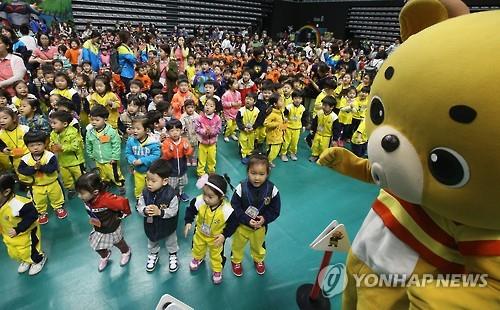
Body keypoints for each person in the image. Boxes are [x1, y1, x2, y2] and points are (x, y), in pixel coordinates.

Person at [230, 154, 281, 276]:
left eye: (261, 174)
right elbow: (234, 207)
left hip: (260, 227)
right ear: (248, 172)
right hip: (241, 226)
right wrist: (245, 219)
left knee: (259, 246)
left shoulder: (272, 190)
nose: (257, 178)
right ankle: (236, 260)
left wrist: (265, 219)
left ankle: (258, 259)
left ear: (267, 173)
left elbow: (275, 210)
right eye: (253, 173)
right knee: (237, 245)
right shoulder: (241, 188)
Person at [184, 173, 238, 285]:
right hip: (200, 233)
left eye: (210, 197)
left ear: (221, 197)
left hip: (216, 238)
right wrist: (188, 221)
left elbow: (233, 224)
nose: (206, 199)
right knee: (197, 248)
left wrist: (224, 235)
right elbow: (190, 210)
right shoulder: (199, 201)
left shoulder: (227, 210)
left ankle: (217, 270)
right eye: (204, 194)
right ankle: (198, 258)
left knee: (216, 255)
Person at [76, 171, 132, 272]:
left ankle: (126, 252)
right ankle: (105, 255)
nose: (79, 196)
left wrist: (125, 213)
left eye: (82, 193)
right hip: (98, 228)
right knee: (96, 245)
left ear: (95, 192)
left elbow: (123, 202)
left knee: (118, 242)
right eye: (78, 193)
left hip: (112, 227)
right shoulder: (88, 199)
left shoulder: (107, 199)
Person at [136, 159, 180, 273]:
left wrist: (160, 212)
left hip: (168, 225)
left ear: (164, 181)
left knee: (171, 241)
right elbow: (139, 206)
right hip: (151, 225)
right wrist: (145, 210)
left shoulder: (171, 195)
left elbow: (173, 211)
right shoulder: (145, 192)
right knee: (152, 240)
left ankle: (173, 254)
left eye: (153, 181)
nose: (149, 183)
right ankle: (153, 254)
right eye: (147, 179)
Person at [0, 173, 47, 275]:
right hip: (9, 234)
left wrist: (18, 229)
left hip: (25, 233)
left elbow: (33, 215)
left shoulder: (18, 204)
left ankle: (38, 260)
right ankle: (26, 260)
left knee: (30, 249)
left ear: (6, 192)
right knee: (14, 251)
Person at [18, 131, 66, 224]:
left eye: (39, 144)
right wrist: (33, 168)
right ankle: (41, 212)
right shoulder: (25, 159)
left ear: (45, 144)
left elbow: (53, 168)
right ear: (27, 146)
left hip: (52, 182)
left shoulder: (49, 156)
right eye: (32, 145)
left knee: (56, 195)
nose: (36, 147)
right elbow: (22, 170)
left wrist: (41, 167)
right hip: (36, 185)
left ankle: (58, 207)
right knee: (38, 200)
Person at [85, 105, 125, 194]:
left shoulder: (111, 132)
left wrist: (114, 157)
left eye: (97, 120)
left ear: (105, 119)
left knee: (114, 173)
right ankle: (105, 182)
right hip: (98, 158)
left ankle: (119, 183)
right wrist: (91, 154)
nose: (94, 122)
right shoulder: (90, 132)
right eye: (92, 120)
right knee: (102, 173)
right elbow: (88, 144)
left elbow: (116, 145)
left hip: (110, 159)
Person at [49, 111, 85, 198]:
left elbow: (75, 146)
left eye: (54, 123)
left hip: (75, 161)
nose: (52, 125)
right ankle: (71, 189)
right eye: (51, 123)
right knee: (66, 178)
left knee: (80, 177)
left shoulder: (73, 133)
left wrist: (62, 147)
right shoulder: (53, 133)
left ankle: (84, 188)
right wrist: (51, 146)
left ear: (65, 124)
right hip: (62, 162)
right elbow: (51, 142)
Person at [125, 117, 161, 199]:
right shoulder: (130, 141)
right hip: (138, 172)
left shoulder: (152, 142)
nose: (135, 131)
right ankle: (139, 199)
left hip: (152, 172)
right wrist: (133, 160)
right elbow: (128, 153)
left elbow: (156, 155)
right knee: (139, 187)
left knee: (153, 187)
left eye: (138, 128)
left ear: (146, 130)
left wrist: (142, 160)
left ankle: (153, 198)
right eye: (133, 128)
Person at [162, 119, 193, 202]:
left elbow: (189, 153)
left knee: (182, 182)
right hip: (171, 171)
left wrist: (186, 149)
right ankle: (172, 195)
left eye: (177, 130)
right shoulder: (166, 143)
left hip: (183, 169)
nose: (175, 133)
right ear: (168, 132)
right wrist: (170, 151)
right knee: (172, 184)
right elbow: (165, 157)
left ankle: (181, 192)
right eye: (172, 130)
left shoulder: (184, 141)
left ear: (181, 131)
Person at [0, 107, 30, 185]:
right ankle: (27, 186)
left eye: (5, 118)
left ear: (13, 118)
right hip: (15, 159)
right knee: (22, 176)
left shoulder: (25, 129)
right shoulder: (1, 134)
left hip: (29, 156)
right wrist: (3, 149)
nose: (1, 121)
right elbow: (1, 146)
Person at [195, 97, 222, 177]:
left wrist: (212, 131)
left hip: (212, 143)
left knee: (212, 158)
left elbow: (219, 129)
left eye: (211, 106)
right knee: (201, 159)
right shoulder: (200, 118)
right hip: (202, 143)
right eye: (206, 105)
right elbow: (197, 128)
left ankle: (211, 171)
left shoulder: (217, 118)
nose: (208, 107)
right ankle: (200, 172)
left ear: (215, 109)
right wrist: (204, 131)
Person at [309, 96, 340, 162]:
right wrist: (312, 130)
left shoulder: (334, 117)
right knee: (315, 145)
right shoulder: (319, 113)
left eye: (326, 106)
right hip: (318, 133)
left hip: (327, 136)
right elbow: (314, 122)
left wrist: (335, 139)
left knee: (324, 147)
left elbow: (336, 129)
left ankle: (322, 157)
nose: (323, 107)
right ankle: (314, 155)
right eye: (323, 105)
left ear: (332, 107)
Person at [280, 90, 306, 161]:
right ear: (292, 99)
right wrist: (283, 126)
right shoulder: (289, 107)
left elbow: (304, 118)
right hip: (288, 128)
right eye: (295, 98)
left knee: (294, 142)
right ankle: (283, 153)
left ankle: (292, 153)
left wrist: (303, 126)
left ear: (302, 99)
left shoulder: (303, 108)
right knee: (286, 141)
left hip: (297, 128)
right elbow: (284, 116)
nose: (297, 100)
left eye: (299, 98)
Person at [236, 92, 259, 165]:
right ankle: (244, 155)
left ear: (254, 102)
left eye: (250, 99)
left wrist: (254, 127)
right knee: (243, 142)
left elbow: (258, 121)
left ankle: (250, 154)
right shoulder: (241, 111)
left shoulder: (257, 111)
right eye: (246, 99)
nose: (248, 101)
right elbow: (238, 121)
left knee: (251, 143)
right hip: (244, 131)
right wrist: (243, 128)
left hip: (252, 131)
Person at [264, 94, 287, 168]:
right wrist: (277, 124)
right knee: (272, 151)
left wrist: (284, 127)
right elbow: (266, 123)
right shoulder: (272, 113)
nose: (282, 102)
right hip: (273, 137)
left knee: (276, 151)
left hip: (279, 135)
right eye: (280, 101)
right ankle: (267, 162)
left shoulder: (280, 112)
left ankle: (269, 161)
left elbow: (282, 122)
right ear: (275, 104)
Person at [180, 99, 199, 167]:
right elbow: (181, 125)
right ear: (185, 108)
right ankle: (187, 159)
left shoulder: (197, 116)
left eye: (192, 107)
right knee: (187, 147)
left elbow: (199, 124)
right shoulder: (183, 116)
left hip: (194, 135)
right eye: (188, 107)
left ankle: (193, 158)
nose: (190, 109)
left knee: (194, 147)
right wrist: (183, 128)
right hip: (186, 135)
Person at [221, 77, 241, 142]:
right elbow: (223, 103)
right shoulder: (226, 94)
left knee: (234, 125)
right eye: (235, 84)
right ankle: (226, 135)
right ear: (230, 85)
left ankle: (232, 134)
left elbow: (239, 101)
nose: (237, 85)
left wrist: (239, 103)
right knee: (229, 125)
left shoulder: (238, 93)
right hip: (228, 113)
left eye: (237, 83)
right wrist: (231, 104)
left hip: (236, 112)